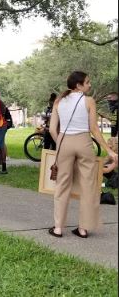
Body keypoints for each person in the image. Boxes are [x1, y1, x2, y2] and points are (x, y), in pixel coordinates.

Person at [48, 71, 118, 238]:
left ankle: (58, 228)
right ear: (78, 85)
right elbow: (94, 129)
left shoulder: (59, 101)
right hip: (84, 142)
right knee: (88, 186)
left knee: (62, 185)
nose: (90, 85)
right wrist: (109, 150)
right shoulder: (88, 101)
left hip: (64, 141)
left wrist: (61, 143)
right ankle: (83, 228)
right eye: (87, 82)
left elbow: (52, 129)